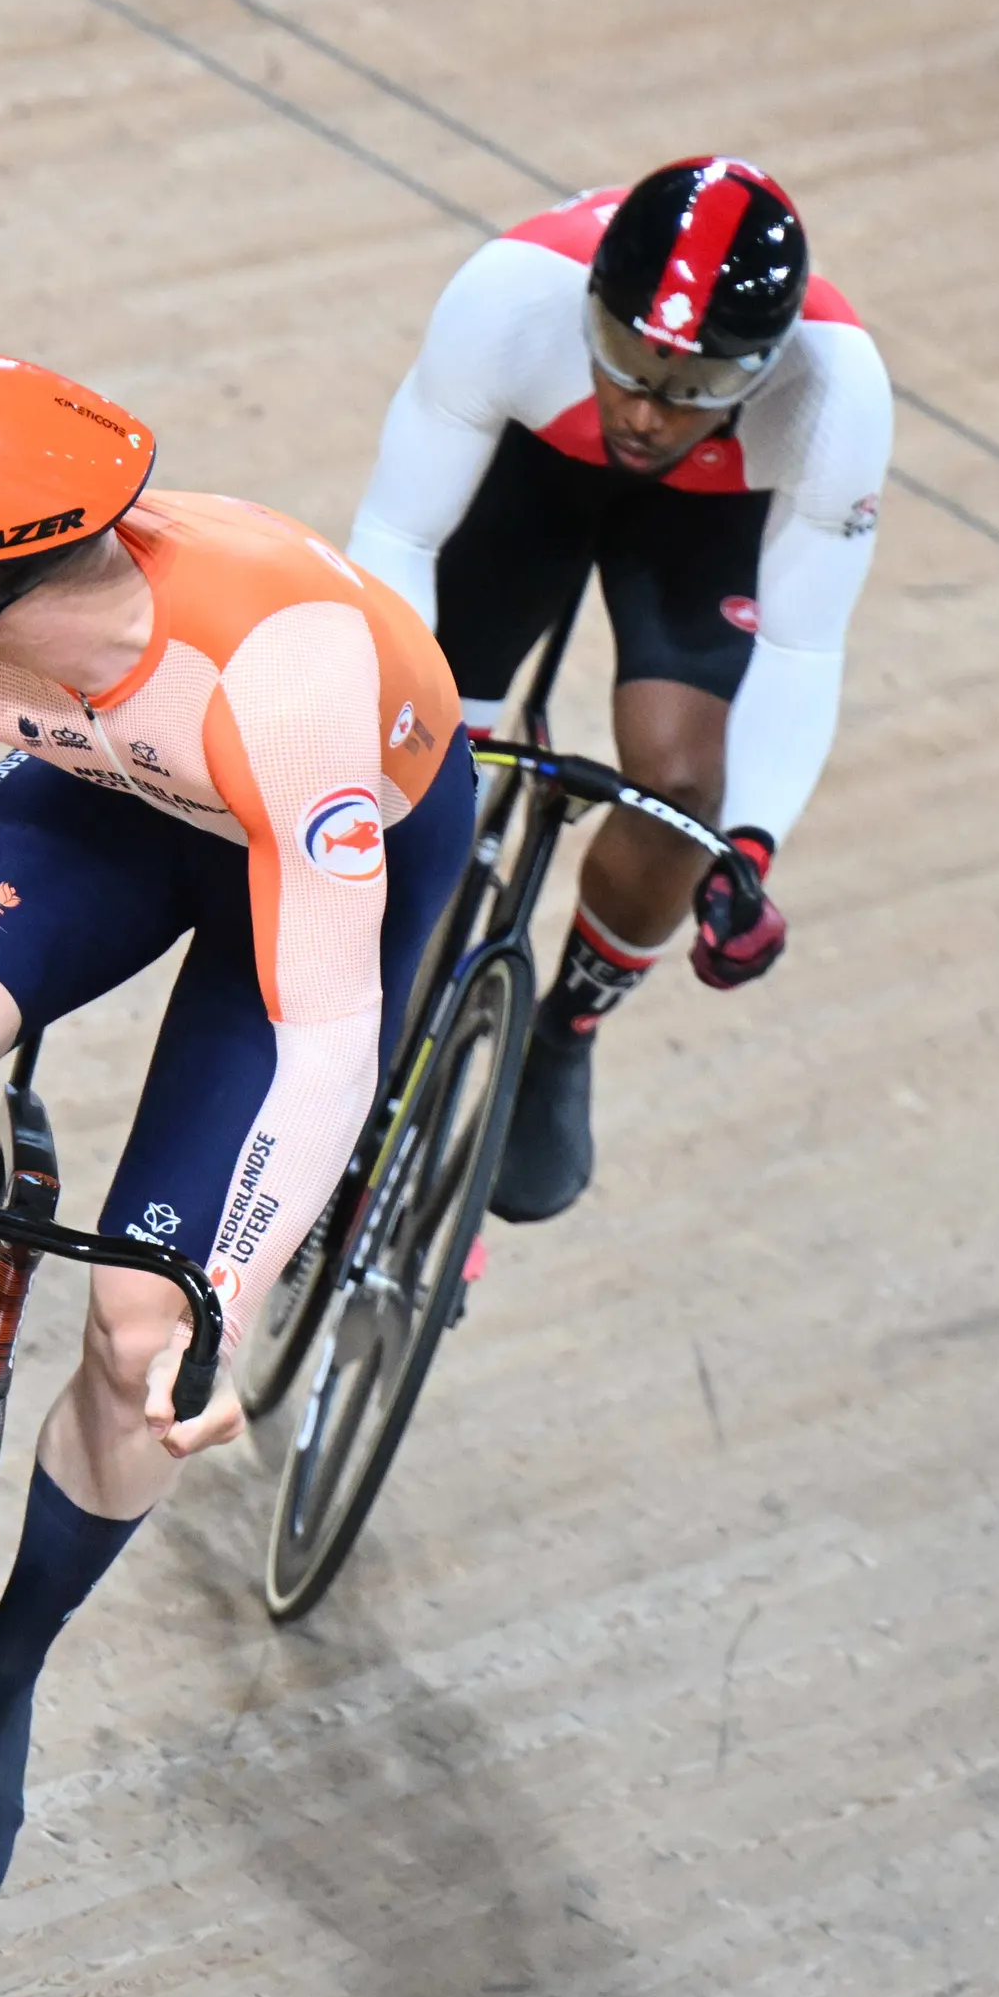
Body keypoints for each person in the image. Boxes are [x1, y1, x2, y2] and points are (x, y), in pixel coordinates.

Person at [0, 351, 468, 1922]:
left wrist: (232, 1295)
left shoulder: (286, 668)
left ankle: (2, 1678)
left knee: (143, 1332)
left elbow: (326, 1043)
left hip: (307, 826)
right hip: (117, 798)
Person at [346, 155, 893, 1221]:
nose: (646, 413)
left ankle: (567, 1030)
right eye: (628, 362)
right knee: (424, 779)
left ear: (765, 367)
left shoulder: (837, 391)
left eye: (694, 387)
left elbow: (800, 651)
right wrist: (404, 738)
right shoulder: (513, 295)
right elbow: (398, 536)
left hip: (705, 517)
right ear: (590, 306)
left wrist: (752, 844)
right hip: (531, 469)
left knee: (683, 786)